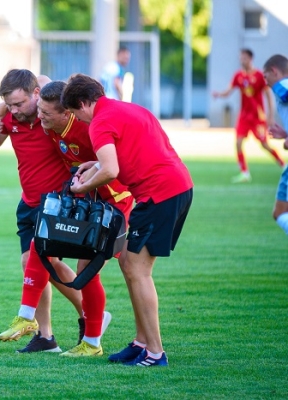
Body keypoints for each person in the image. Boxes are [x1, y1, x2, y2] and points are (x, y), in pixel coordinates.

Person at [61, 73, 194, 367]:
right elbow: (133, 152)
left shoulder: (99, 122)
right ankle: (141, 342)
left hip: (158, 194)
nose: (78, 120)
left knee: (137, 269)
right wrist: (93, 163)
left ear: (83, 103)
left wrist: (82, 187)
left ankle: (155, 352)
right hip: (178, 186)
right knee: (129, 264)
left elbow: (110, 170)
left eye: (74, 113)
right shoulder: (131, 109)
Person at [0, 80, 133, 357]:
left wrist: (84, 183)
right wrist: (0, 108)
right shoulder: (51, 125)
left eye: (45, 114)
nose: (40, 118)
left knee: (87, 269)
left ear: (67, 113)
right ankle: (31, 319)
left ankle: (93, 342)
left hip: (113, 203)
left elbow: (113, 167)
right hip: (85, 201)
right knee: (41, 244)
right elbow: (43, 83)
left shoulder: (87, 129)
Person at [0, 69, 84, 353]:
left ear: (35, 94)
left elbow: (48, 79)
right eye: (9, 104)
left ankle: (91, 315)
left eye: (19, 103)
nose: (14, 110)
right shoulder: (10, 116)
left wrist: (8, 106)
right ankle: (46, 337)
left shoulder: (48, 111)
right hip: (28, 202)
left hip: (56, 202)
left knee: (43, 264)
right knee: (32, 266)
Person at [212, 48, 284, 183]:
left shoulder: (259, 75)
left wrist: (270, 115)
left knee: (264, 144)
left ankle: (283, 164)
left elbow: (268, 94)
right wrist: (219, 94)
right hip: (244, 117)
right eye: (241, 58)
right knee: (238, 143)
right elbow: (228, 91)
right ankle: (244, 172)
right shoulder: (238, 75)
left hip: (257, 116)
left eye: (244, 58)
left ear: (250, 59)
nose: (242, 60)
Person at [263, 54, 288, 235]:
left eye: (266, 77)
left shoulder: (281, 87)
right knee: (279, 213)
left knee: (280, 213)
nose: (265, 82)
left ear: (274, 71)